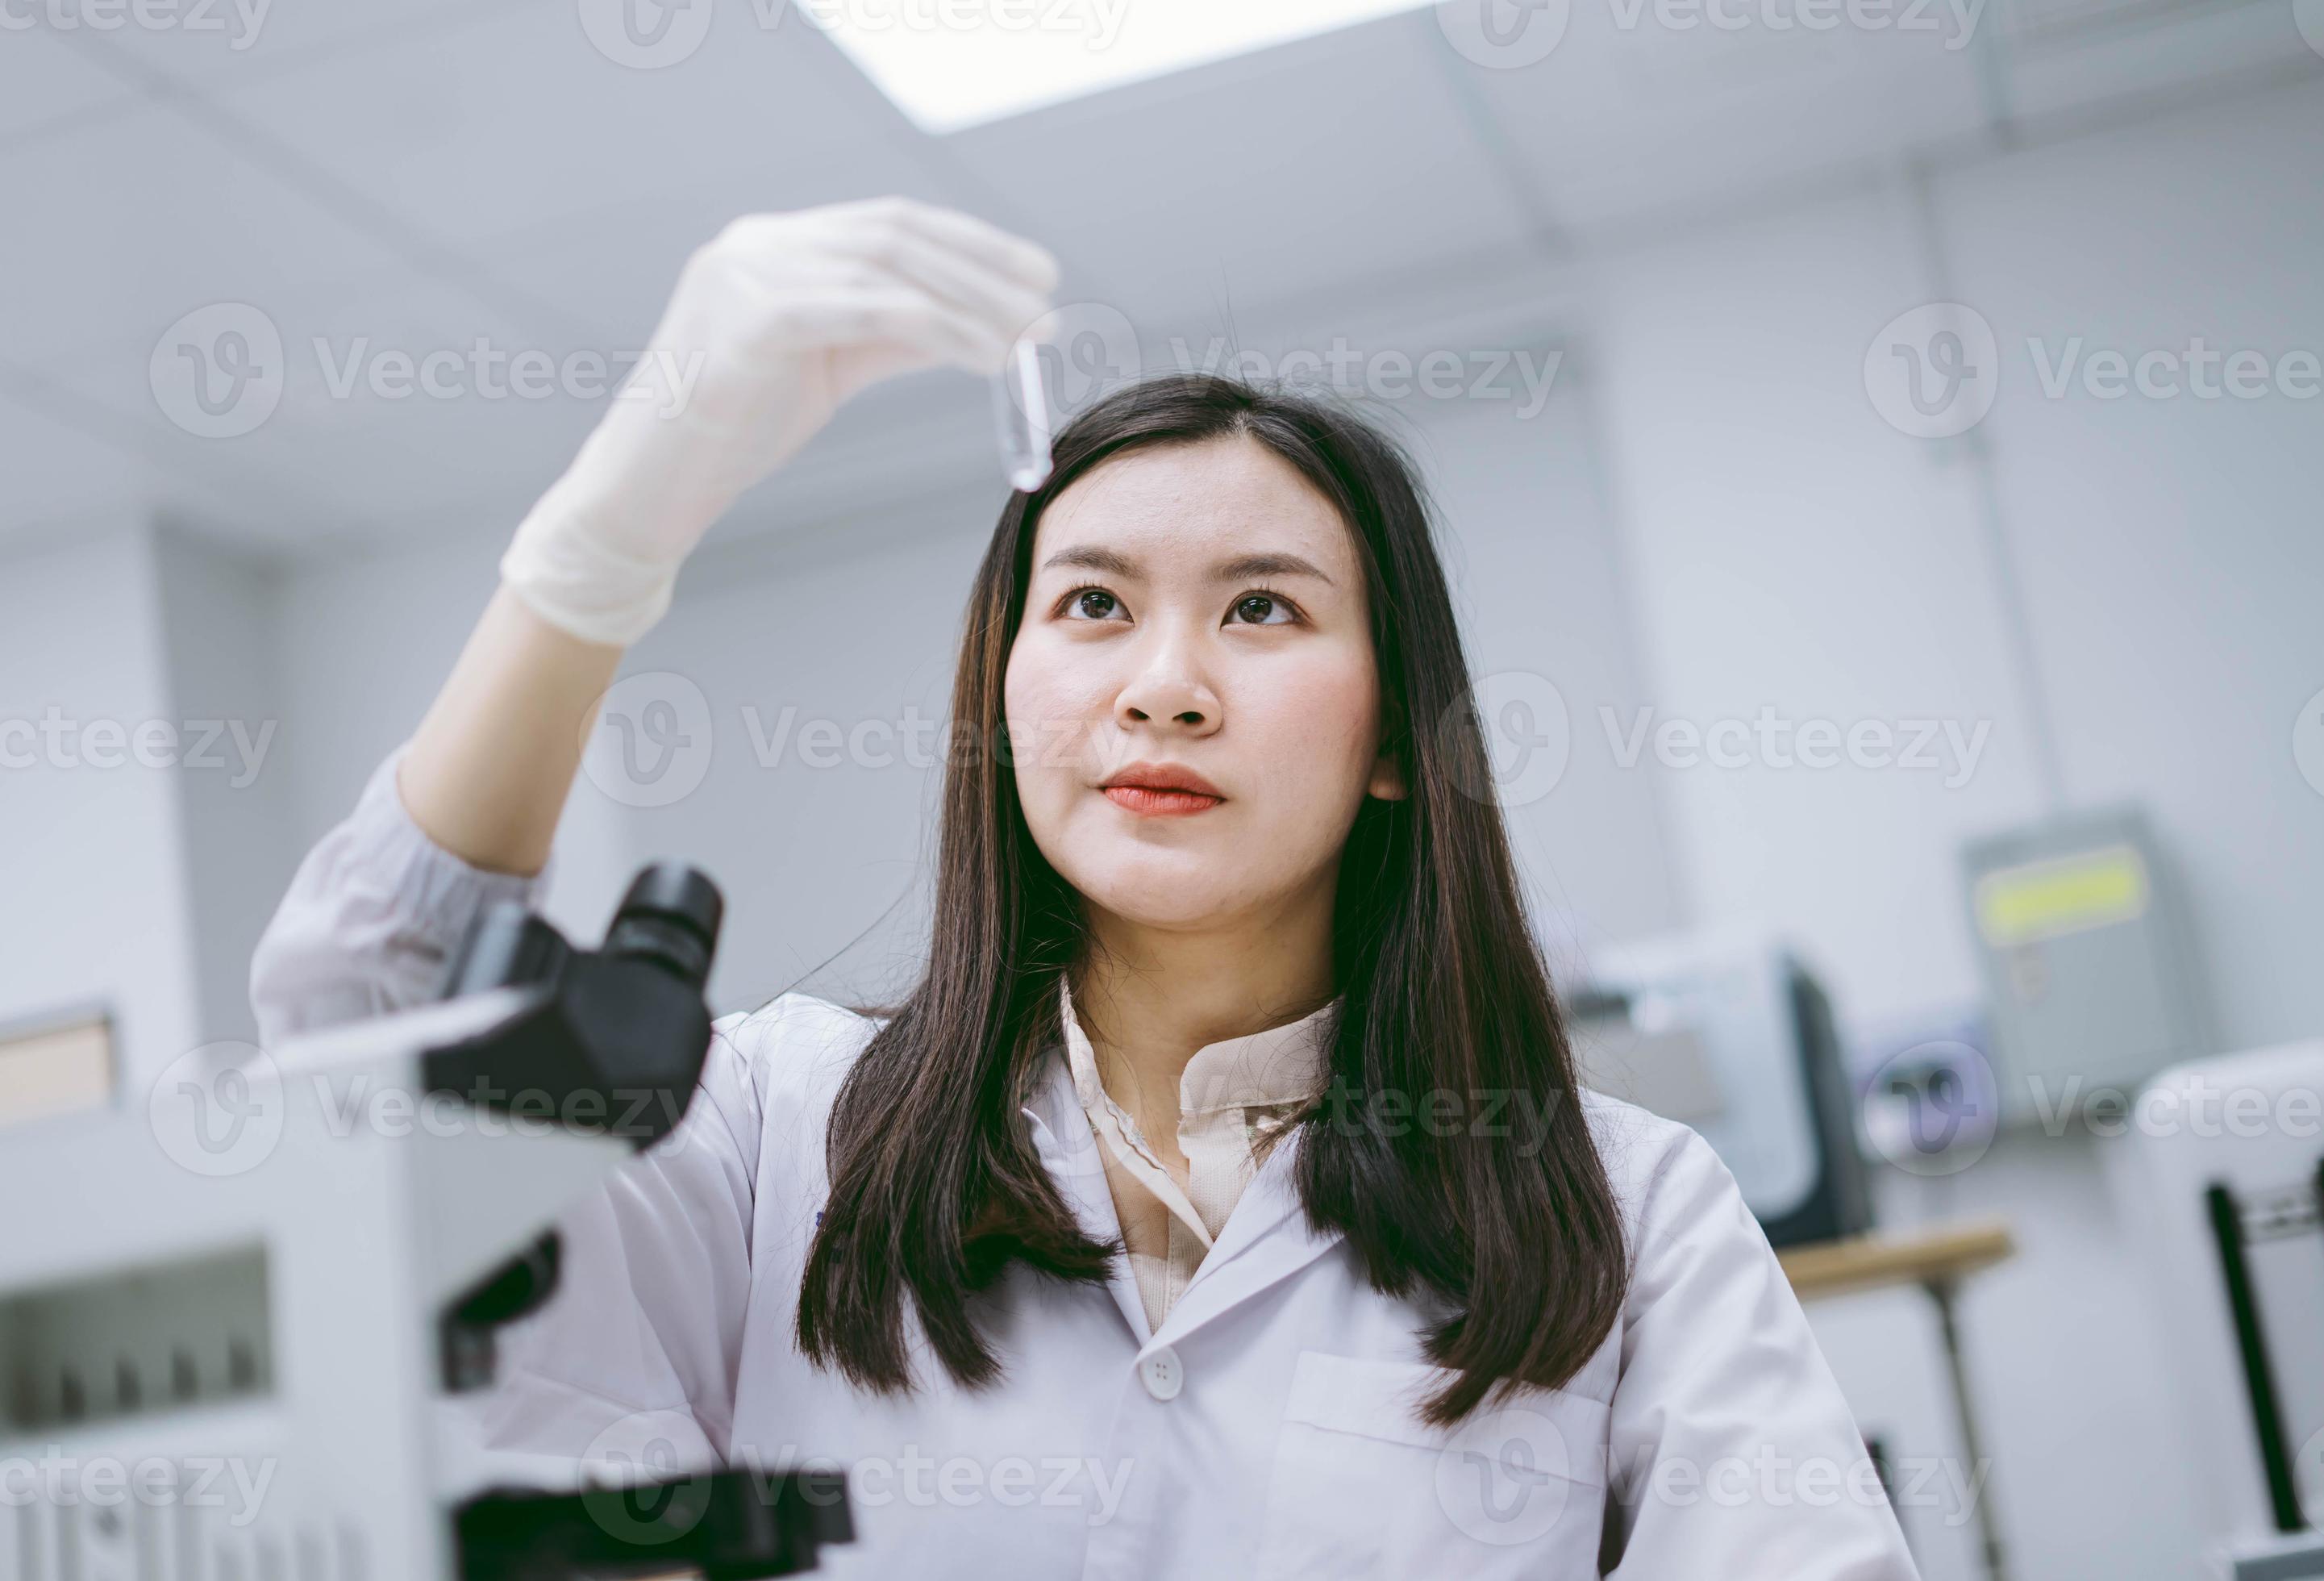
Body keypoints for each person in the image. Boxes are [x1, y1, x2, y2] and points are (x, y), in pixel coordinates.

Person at [250, 196, 1918, 1579]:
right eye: (1094, 605)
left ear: (1399, 737)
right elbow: (361, 1071)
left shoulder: (1624, 1209)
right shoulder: (774, 1131)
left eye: (1262, 610)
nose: (1166, 686)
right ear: (1003, 695)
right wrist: (606, 540)